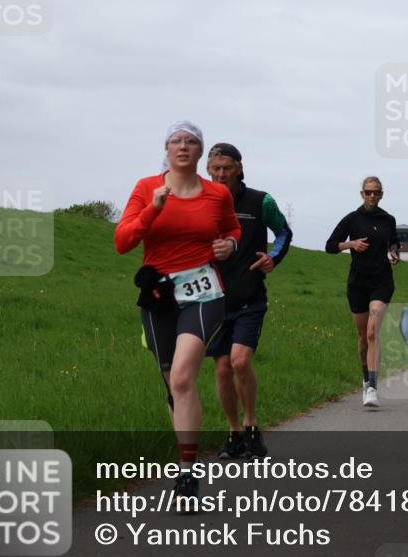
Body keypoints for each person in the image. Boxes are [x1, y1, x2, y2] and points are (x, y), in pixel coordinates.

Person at [115, 121, 241, 505]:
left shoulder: (218, 194)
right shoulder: (145, 188)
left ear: (200, 152)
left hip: (204, 292)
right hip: (159, 295)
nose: (182, 146)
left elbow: (233, 229)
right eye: (175, 141)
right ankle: (186, 458)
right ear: (166, 150)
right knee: (173, 383)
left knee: (184, 378)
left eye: (190, 141)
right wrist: (152, 210)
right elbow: (122, 242)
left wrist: (230, 247)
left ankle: (187, 476)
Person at [205, 143, 292, 460]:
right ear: (208, 171)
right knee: (222, 370)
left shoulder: (260, 201)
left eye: (227, 167)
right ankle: (234, 434)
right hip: (212, 300)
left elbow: (283, 232)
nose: (221, 174)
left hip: (249, 298)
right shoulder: (200, 203)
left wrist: (272, 258)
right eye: (215, 168)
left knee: (239, 361)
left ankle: (252, 426)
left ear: (240, 168)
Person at [325, 177, 400, 408]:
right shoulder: (351, 219)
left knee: (371, 333)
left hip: (382, 281)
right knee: (362, 337)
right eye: (368, 192)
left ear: (381, 194)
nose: (372, 196)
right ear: (361, 193)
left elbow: (393, 242)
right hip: (357, 283)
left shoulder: (388, 219)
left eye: (376, 193)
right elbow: (330, 246)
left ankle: (373, 389)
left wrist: (394, 252)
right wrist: (351, 244)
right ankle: (366, 379)